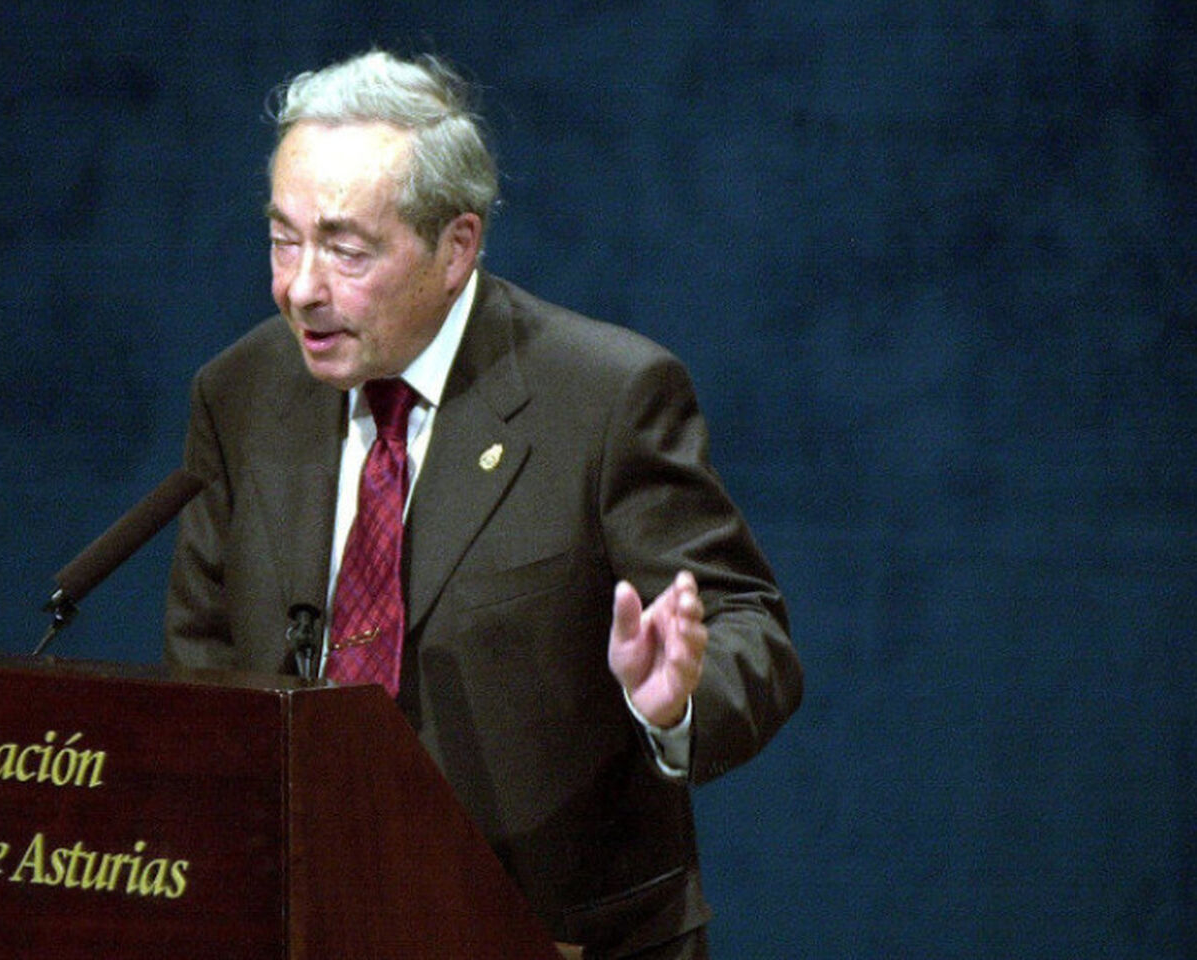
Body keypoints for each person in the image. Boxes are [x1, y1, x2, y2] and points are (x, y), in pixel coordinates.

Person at [164, 49, 801, 960]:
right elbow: (204, 663)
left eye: (345, 250)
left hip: (557, 934)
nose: (301, 288)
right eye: (283, 240)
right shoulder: (241, 392)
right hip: (309, 924)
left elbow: (750, 627)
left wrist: (677, 700)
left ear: (456, 247)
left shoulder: (604, 396)